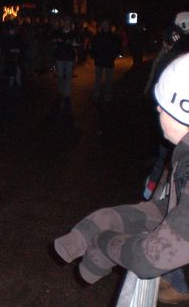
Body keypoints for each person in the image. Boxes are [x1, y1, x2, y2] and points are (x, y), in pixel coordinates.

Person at [53, 52, 189, 304]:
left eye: (163, 104)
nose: (157, 108)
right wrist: (106, 220)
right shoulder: (184, 152)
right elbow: (169, 211)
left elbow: (154, 257)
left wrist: (105, 245)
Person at [51, 16, 80, 113]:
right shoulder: (58, 32)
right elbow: (53, 42)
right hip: (59, 56)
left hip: (69, 57)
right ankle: (60, 89)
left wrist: (74, 45)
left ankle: (67, 94)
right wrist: (56, 42)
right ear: (63, 23)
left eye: (68, 22)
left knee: (68, 76)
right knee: (60, 75)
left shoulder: (73, 33)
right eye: (65, 22)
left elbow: (77, 44)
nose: (66, 23)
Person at [90, 19, 122, 104]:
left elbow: (117, 46)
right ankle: (96, 95)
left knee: (109, 80)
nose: (104, 26)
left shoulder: (113, 37)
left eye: (106, 24)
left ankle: (107, 95)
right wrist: (94, 55)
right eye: (103, 24)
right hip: (99, 60)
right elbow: (93, 46)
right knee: (98, 79)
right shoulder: (98, 36)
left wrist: (114, 55)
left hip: (109, 61)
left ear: (109, 25)